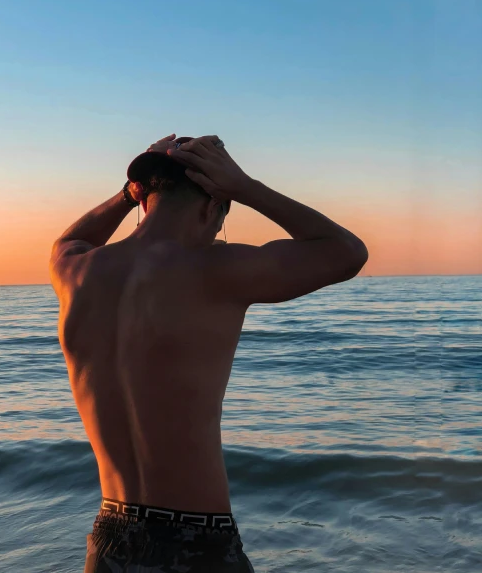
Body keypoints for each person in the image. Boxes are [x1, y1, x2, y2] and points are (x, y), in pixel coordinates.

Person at [49, 133, 368, 572]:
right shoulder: (216, 269)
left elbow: (68, 241)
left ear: (143, 201)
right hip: (196, 541)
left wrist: (126, 192)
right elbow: (347, 253)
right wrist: (245, 186)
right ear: (212, 206)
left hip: (109, 539)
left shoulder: (75, 271)